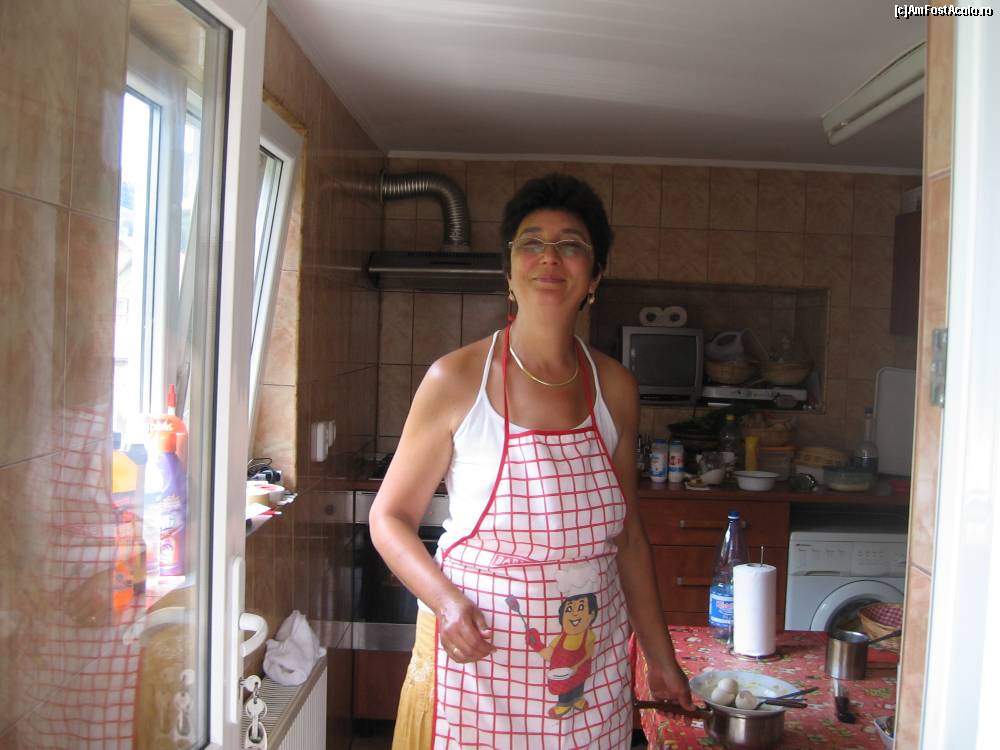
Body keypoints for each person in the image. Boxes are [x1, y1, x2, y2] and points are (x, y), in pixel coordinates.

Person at [370, 173, 693, 749]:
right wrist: (446, 603)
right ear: (509, 270)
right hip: (480, 663)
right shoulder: (456, 379)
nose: (550, 256)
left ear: (595, 276)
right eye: (532, 243)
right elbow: (388, 517)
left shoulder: (615, 388)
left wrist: (661, 658)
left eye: (571, 244)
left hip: (587, 668)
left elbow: (628, 538)